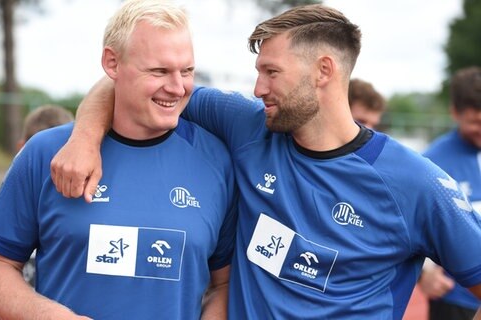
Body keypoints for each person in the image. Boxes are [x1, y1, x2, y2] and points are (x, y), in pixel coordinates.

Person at [49, 4, 481, 319]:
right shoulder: (248, 127)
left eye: (272, 72)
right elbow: (132, 83)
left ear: (324, 71)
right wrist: (85, 138)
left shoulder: (415, 183)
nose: (258, 88)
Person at [0, 0, 237, 319]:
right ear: (112, 64)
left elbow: (222, 285)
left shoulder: (217, 161)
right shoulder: (45, 153)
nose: (178, 87)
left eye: (187, 70)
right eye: (159, 71)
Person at [0, 104, 74, 319]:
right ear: (23, 148)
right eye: (39, 151)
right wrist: (12, 299)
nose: (54, 164)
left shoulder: (86, 202)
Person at [417, 66, 481, 320]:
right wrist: (423, 273)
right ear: (455, 112)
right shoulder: (432, 162)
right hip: (456, 299)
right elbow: (410, 222)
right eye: (475, 122)